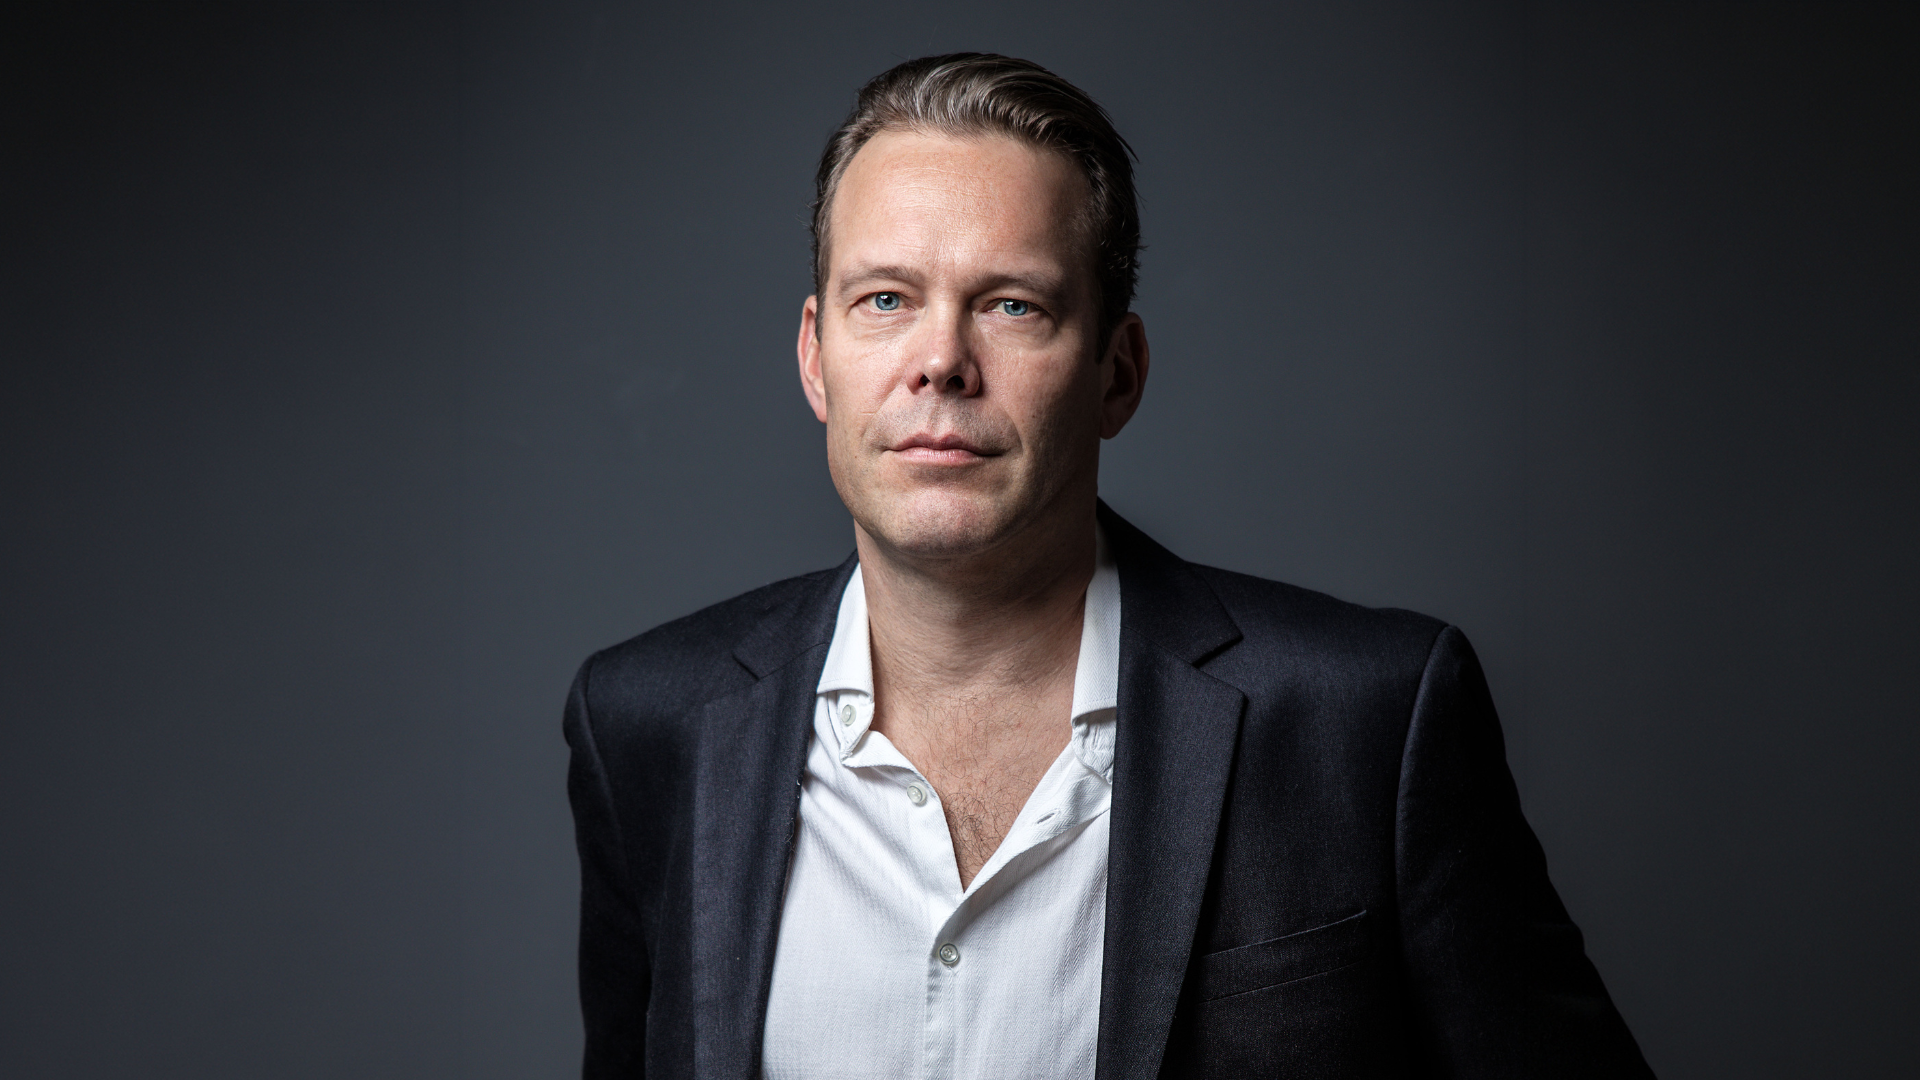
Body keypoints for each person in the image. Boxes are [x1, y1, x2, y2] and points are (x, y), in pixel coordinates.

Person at [563, 53, 1652, 1079]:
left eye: (1012, 304)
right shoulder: (647, 727)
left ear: (1117, 374)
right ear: (816, 357)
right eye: (884, 299)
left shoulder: (1368, 720)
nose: (940, 361)